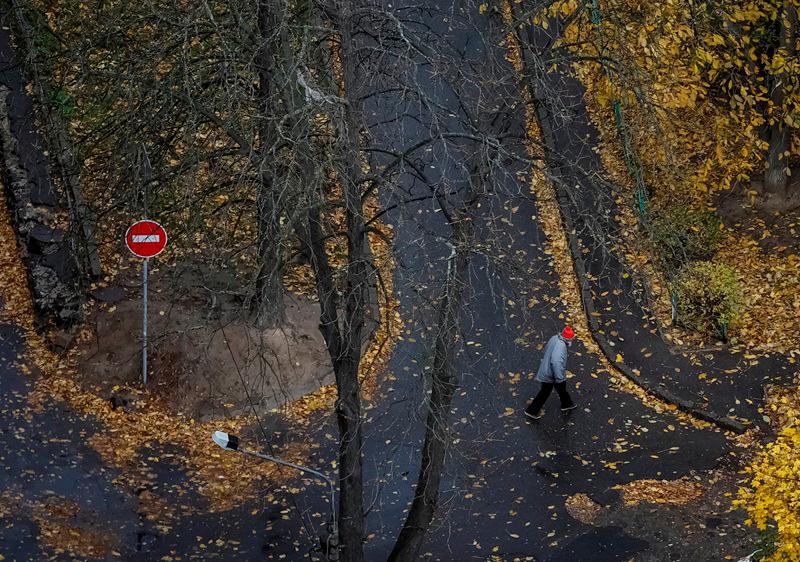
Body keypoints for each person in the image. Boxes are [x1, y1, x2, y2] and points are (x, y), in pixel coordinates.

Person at [524, 326, 577, 420]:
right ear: (568, 339)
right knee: (546, 391)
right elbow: (557, 363)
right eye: (572, 339)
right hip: (551, 374)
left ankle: (567, 404)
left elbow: (546, 349)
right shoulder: (561, 347)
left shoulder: (555, 338)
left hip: (548, 369)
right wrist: (560, 378)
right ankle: (531, 411)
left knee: (561, 389)